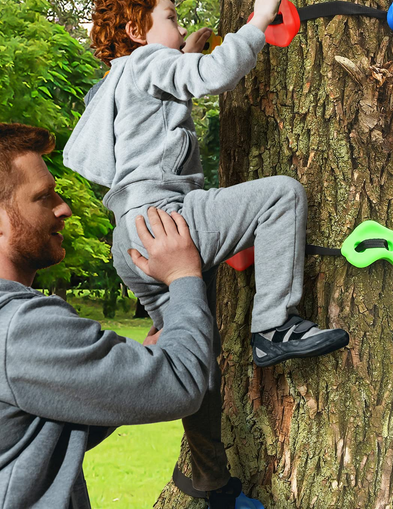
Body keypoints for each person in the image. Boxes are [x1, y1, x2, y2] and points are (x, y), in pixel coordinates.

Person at [62, 0, 349, 497]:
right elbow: (214, 74)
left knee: (194, 361)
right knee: (280, 194)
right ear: (135, 28)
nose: (179, 24)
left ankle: (211, 480)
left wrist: (181, 46)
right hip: (169, 218)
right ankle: (273, 326)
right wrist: (258, 21)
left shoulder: (118, 78)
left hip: (130, 241)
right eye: (170, 17)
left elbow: (174, 84)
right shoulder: (151, 61)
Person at [0, 122, 243, 508]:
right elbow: (181, 385)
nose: (64, 207)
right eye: (43, 197)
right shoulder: (19, 327)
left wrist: (130, 369)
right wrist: (182, 275)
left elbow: (39, 430)